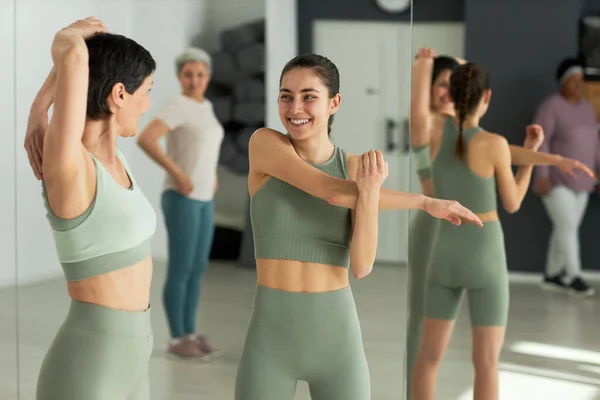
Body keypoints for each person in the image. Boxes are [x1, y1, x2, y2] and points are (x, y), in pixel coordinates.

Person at [233, 53, 484, 400]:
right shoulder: (265, 145)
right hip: (270, 338)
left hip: (337, 340)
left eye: (309, 96)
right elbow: (332, 192)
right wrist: (423, 202)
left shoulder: (354, 169)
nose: (295, 108)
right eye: (286, 96)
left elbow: (362, 266)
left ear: (334, 102)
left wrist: (370, 194)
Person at [409, 48, 595, 400]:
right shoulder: (492, 145)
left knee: (429, 358)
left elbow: (423, 109)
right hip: (485, 257)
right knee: (487, 362)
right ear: (488, 97)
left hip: (444, 255)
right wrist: (531, 160)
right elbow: (512, 202)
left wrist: (422, 68)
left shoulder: (433, 132)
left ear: (450, 95)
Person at [24, 17, 157, 400]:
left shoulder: (116, 162)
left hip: (133, 361)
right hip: (89, 367)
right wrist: (39, 107)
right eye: (147, 90)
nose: (148, 103)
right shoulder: (71, 165)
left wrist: (41, 106)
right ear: (119, 94)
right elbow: (71, 48)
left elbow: (82, 62)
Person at [137, 47, 223, 360]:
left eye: (200, 74)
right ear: (179, 77)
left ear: (208, 76)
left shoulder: (206, 106)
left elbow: (203, 147)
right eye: (188, 74)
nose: (194, 79)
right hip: (181, 196)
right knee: (181, 267)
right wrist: (179, 173)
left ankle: (190, 331)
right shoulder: (178, 105)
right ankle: (176, 338)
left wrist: (209, 175)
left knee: (198, 267)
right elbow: (146, 138)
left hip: (204, 197)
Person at [406, 54, 460, 400]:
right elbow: (417, 107)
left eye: (455, 84)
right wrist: (424, 68)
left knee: (444, 326)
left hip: (460, 234)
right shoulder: (425, 123)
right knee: (421, 319)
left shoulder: (467, 126)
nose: (449, 91)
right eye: (442, 83)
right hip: (431, 230)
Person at [533, 57, 599, 296]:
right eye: (574, 80)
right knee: (568, 228)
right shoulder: (550, 106)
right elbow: (541, 142)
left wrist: (598, 173)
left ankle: (552, 275)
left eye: (581, 80)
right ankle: (574, 275)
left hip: (583, 181)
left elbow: (594, 143)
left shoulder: (587, 109)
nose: (578, 85)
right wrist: (541, 174)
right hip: (555, 180)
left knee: (565, 229)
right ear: (563, 82)